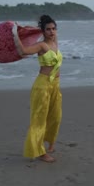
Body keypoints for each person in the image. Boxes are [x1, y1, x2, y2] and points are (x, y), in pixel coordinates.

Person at [14, 15, 63, 163]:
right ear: (43, 31)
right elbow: (23, 51)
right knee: (39, 120)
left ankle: (50, 143)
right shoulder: (42, 46)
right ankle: (40, 152)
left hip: (55, 84)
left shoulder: (55, 43)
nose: (51, 31)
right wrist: (15, 34)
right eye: (48, 29)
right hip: (42, 86)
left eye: (53, 29)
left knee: (55, 116)